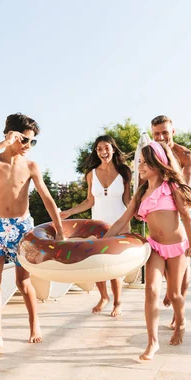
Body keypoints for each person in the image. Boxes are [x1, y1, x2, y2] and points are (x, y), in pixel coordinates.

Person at [0, 113, 65, 353]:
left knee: (23, 281)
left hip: (22, 227)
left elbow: (47, 198)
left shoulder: (31, 166)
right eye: (24, 140)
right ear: (10, 136)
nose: (27, 146)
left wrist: (60, 231)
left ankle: (34, 324)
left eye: (32, 141)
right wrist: (3, 144)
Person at [104, 141, 191, 360]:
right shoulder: (141, 193)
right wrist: (103, 240)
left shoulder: (172, 188)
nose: (141, 167)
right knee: (151, 291)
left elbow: (186, 217)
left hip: (177, 248)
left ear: (159, 163)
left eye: (146, 163)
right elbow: (122, 221)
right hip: (155, 247)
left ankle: (181, 321)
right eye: (140, 162)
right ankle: (153, 342)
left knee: (175, 294)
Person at [60, 135, 131, 317]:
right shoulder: (91, 174)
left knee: (114, 265)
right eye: (99, 149)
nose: (103, 152)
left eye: (106, 148)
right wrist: (70, 212)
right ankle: (103, 297)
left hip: (119, 223)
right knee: (97, 263)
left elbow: (127, 199)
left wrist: (138, 211)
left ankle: (117, 302)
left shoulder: (124, 172)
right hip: (98, 224)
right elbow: (89, 201)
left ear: (113, 149)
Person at [150, 115, 191, 329]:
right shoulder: (152, 153)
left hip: (184, 207)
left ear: (173, 132)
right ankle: (173, 290)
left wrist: (180, 204)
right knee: (173, 266)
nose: (161, 137)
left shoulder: (185, 155)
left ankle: (178, 306)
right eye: (156, 134)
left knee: (184, 269)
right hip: (166, 209)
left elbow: (187, 185)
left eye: (165, 133)